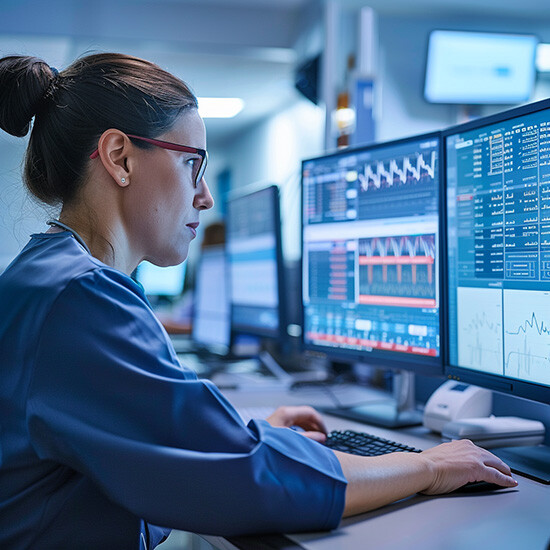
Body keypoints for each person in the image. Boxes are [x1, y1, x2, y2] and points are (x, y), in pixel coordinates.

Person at [0, 53, 517, 549]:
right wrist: (427, 466)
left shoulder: (54, 277)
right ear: (120, 158)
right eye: (192, 165)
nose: (204, 196)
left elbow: (144, 465)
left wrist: (238, 438)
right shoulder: (79, 299)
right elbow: (247, 482)